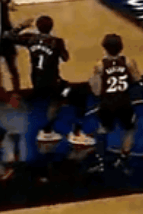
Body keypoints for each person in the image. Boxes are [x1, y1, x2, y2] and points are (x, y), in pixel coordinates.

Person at [6, 15, 92, 145]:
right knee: (81, 95)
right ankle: (77, 134)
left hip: (36, 82)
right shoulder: (56, 42)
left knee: (56, 100)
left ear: (37, 27)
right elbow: (66, 58)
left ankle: (47, 131)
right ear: (52, 27)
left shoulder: (30, 38)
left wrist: (22, 26)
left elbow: (8, 36)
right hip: (53, 83)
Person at [89, 33, 142, 173]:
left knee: (103, 130)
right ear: (121, 47)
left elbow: (96, 91)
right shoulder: (128, 62)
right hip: (124, 103)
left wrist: (93, 81)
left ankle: (101, 162)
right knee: (129, 129)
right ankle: (124, 160)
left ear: (104, 48)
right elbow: (137, 79)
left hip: (107, 104)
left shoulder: (100, 65)